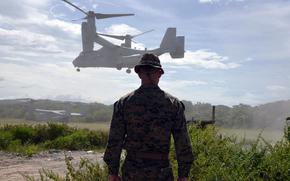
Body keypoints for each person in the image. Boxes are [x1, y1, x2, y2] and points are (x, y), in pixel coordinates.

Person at [103, 53, 194, 181]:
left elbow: (115, 140)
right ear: (160, 74)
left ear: (139, 73)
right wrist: (183, 175)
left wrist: (113, 172)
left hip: (132, 172)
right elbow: (182, 143)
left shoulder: (124, 103)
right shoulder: (173, 105)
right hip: (161, 172)